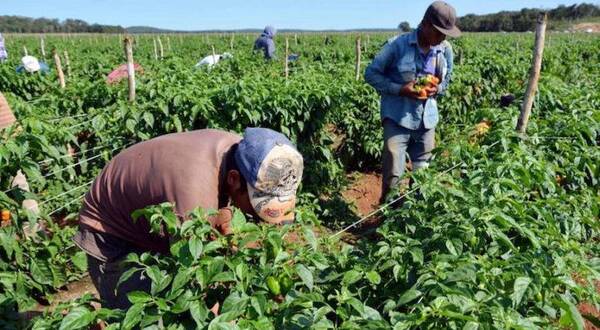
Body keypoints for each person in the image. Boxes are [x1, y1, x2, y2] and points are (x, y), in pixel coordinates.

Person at [73, 127, 304, 309]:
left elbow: (231, 221)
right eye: (256, 207)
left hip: (158, 212)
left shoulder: (252, 155)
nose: (256, 217)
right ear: (234, 180)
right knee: (131, 310)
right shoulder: (193, 197)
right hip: (111, 230)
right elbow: (196, 277)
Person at [365, 1, 460, 203]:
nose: (443, 37)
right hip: (398, 117)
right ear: (425, 24)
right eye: (439, 32)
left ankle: (415, 218)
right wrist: (400, 89)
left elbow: (448, 77)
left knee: (422, 174)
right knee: (394, 174)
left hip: (427, 120)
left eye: (446, 34)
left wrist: (438, 88)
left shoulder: (445, 49)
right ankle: (390, 217)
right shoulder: (396, 46)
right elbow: (371, 73)